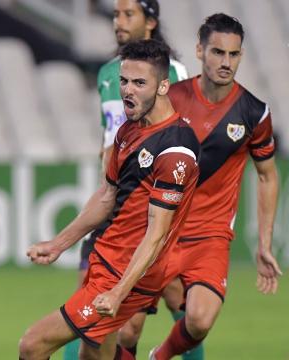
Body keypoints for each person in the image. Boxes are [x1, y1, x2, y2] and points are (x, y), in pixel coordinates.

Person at [19, 39, 200, 360]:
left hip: (127, 272)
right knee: (93, 357)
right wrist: (59, 244)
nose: (127, 90)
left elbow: (157, 234)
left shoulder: (176, 149)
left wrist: (119, 292)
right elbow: (107, 196)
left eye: (139, 83)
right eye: (124, 81)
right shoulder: (129, 131)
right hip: (109, 260)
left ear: (163, 86)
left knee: (33, 345)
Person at [68, 0, 200, 358]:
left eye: (129, 14)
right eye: (116, 14)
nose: (119, 22)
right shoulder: (107, 72)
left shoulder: (174, 71)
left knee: (172, 315)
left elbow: (180, 138)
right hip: (113, 198)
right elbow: (109, 134)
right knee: (87, 313)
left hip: (149, 205)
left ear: (151, 21)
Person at [147, 13, 282, 359]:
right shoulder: (171, 99)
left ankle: (159, 356)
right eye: (217, 52)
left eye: (233, 55)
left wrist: (264, 244)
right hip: (160, 229)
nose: (225, 62)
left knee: (200, 320)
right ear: (199, 51)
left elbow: (267, 175)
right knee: (126, 324)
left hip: (210, 235)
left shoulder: (254, 113)